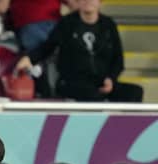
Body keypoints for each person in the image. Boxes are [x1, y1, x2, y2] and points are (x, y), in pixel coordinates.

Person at [14, 0, 143, 102]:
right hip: (72, 83)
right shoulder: (67, 23)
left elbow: (118, 60)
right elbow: (48, 47)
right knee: (91, 93)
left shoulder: (108, 25)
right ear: (78, 2)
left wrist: (111, 79)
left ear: (100, 2)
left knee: (135, 92)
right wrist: (29, 59)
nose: (88, 1)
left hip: (101, 82)